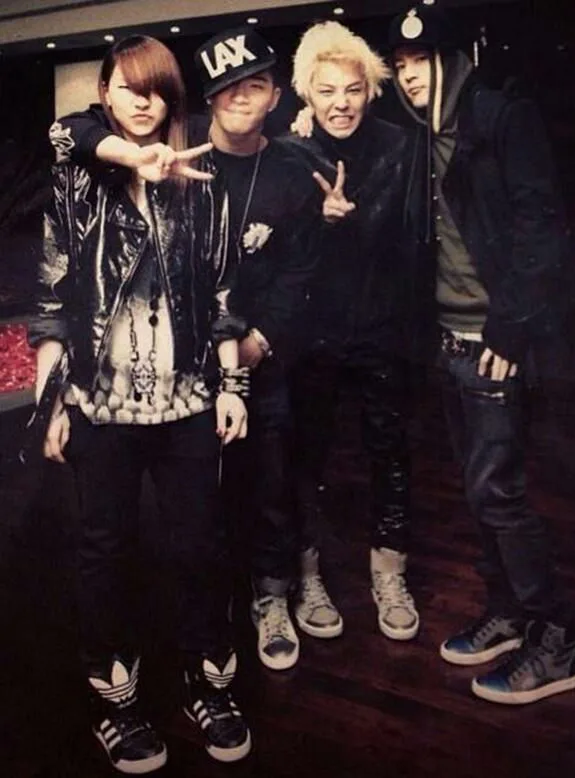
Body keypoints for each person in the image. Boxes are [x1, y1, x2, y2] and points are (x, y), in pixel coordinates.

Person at [55, 27, 322, 672]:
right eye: (227, 88)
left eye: (255, 85)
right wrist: (57, 396)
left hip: (236, 365)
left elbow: (284, 277)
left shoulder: (279, 169)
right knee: (129, 538)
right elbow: (68, 132)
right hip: (133, 388)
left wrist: (249, 358)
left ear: (276, 96)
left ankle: (260, 613)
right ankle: (128, 670)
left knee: (257, 495)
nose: (240, 98)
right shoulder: (120, 160)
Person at [30, 35, 252, 773]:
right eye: (126, 87)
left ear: (172, 98)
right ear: (104, 94)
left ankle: (208, 685)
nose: (142, 101)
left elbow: (223, 295)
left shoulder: (204, 185)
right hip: (101, 406)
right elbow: (53, 297)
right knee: (105, 553)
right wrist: (54, 402)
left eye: (155, 89)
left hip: (186, 404)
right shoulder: (76, 180)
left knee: (200, 547)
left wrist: (232, 387)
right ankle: (115, 701)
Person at [389, 1, 575, 703]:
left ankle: (557, 640)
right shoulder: (417, 137)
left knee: (496, 493)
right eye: (400, 67)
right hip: (447, 339)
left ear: (450, 60)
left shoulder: (501, 117)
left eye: (420, 63)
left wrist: (509, 327)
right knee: (478, 495)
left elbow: (541, 228)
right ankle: (507, 612)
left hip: (492, 341)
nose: (410, 77)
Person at [282, 21, 420, 642]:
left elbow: (413, 239)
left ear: (370, 90)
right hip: (313, 334)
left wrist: (352, 222)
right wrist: (319, 222)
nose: (341, 103)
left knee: (390, 452)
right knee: (306, 456)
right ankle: (307, 575)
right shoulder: (291, 152)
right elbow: (277, 253)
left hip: (384, 327)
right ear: (306, 95)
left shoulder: (401, 145)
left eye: (352, 89)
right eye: (326, 90)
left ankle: (390, 575)